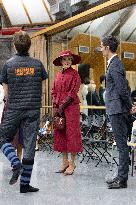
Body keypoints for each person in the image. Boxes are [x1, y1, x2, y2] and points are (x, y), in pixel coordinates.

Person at [0, 31, 48, 193]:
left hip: (14, 108)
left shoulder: (8, 65)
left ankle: (15, 163)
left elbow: (6, 92)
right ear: (30, 45)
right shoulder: (37, 64)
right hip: (33, 109)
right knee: (29, 145)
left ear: (14, 45)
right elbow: (41, 89)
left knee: (2, 137)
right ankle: (25, 185)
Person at [100, 35, 133, 189]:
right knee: (121, 145)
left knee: (121, 146)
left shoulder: (115, 65)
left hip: (118, 110)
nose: (100, 49)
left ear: (107, 48)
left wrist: (129, 105)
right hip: (116, 109)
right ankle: (120, 176)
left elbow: (122, 89)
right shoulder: (113, 64)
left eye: (101, 46)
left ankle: (122, 179)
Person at [52, 50, 83, 175]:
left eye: (69, 59)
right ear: (61, 61)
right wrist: (55, 105)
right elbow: (53, 91)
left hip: (71, 109)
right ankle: (64, 162)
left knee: (72, 134)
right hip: (59, 109)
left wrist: (62, 105)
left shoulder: (75, 75)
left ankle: (72, 163)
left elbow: (73, 92)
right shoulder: (58, 75)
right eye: (65, 59)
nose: (67, 62)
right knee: (61, 134)